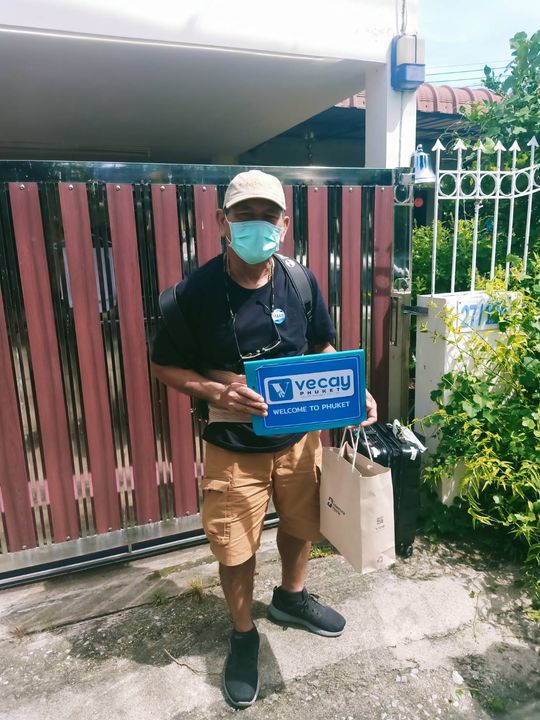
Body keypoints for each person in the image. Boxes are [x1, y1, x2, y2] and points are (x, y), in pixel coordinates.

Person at [150, 169, 377, 709]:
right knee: (235, 545)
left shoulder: (300, 281)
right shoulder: (194, 293)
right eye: (243, 215)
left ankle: (290, 599)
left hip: (297, 441)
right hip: (233, 447)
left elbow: (322, 347)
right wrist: (216, 391)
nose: (257, 225)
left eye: (267, 216)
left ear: (285, 223)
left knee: (302, 526)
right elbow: (163, 366)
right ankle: (244, 632)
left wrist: (353, 390)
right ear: (221, 221)